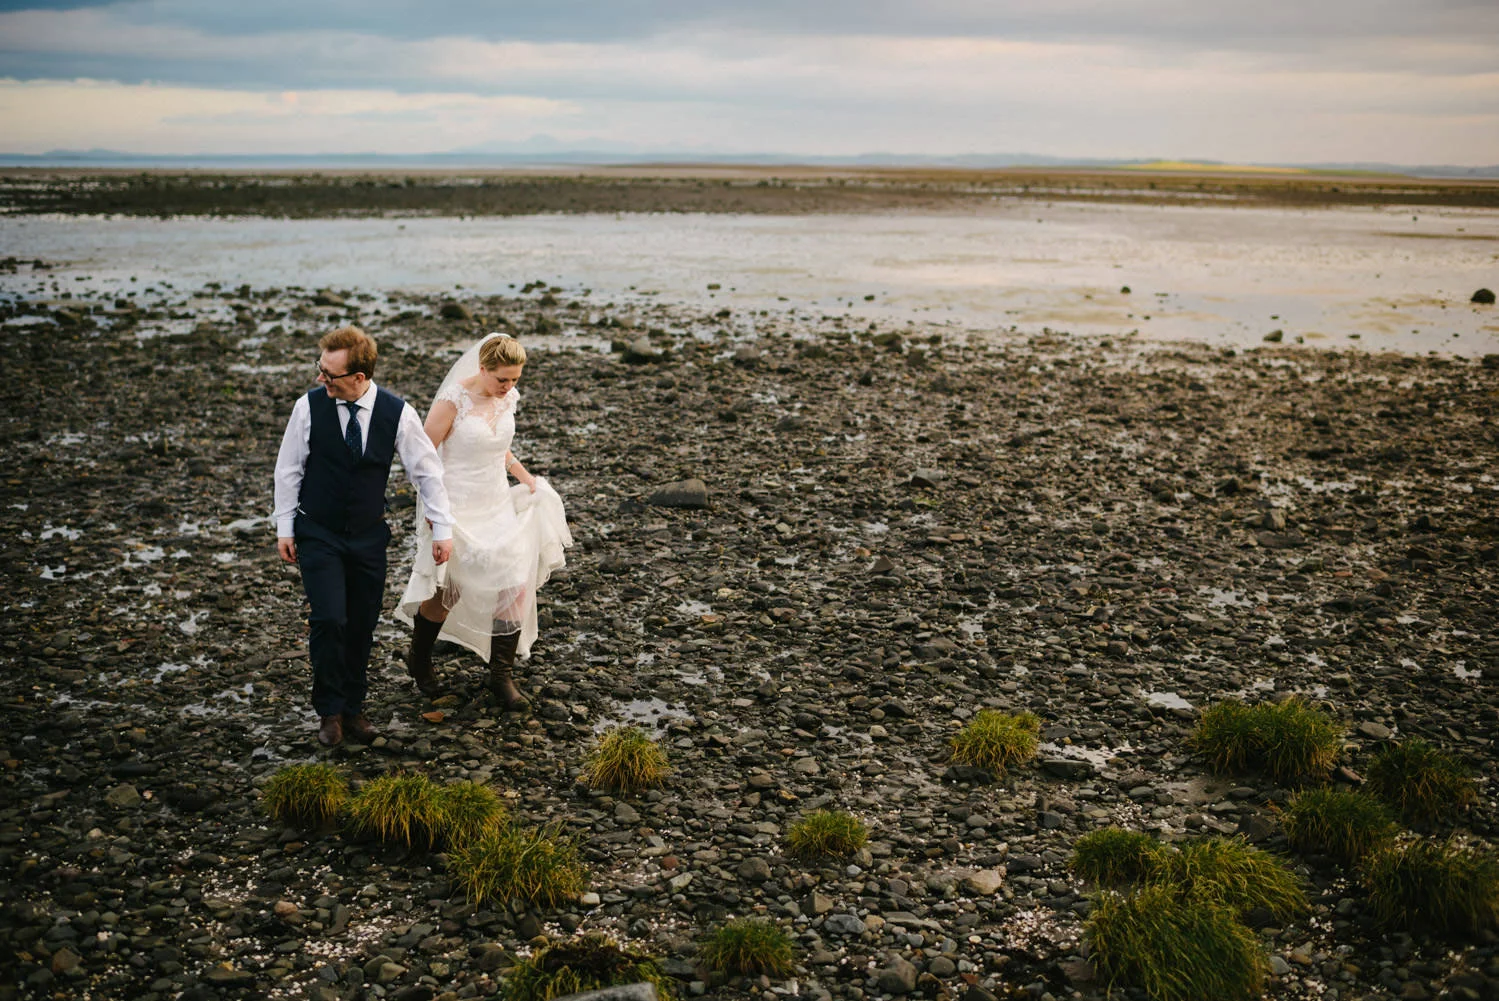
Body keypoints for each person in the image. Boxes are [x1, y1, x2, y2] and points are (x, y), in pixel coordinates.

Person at [274, 326, 455, 747]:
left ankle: (354, 708)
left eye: (329, 375)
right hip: (317, 531)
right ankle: (330, 711)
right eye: (320, 370)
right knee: (328, 619)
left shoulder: (397, 413)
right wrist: (285, 526)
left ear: (359, 377)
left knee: (360, 625)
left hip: (369, 536)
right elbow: (289, 469)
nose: (321, 380)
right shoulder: (309, 407)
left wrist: (442, 528)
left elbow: (426, 473)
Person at [397, 332, 572, 709]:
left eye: (515, 380)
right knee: (449, 589)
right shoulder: (452, 400)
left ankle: (500, 676)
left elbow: (497, 445)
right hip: (456, 504)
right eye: (502, 379)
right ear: (482, 368)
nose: (508, 387)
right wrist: (434, 512)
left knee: (514, 581)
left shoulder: (507, 396)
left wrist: (525, 478)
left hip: (495, 502)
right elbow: (422, 459)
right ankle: (419, 657)